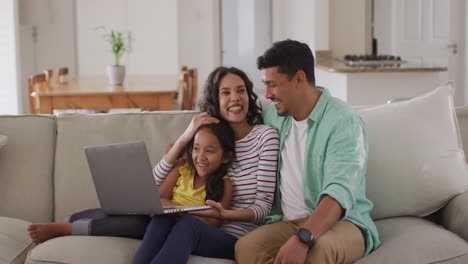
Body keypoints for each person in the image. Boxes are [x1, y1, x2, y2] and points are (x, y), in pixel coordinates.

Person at [234, 39, 381, 264]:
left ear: (299, 79)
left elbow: (338, 193)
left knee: (317, 251)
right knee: (246, 248)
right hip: (288, 221)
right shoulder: (274, 115)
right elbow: (233, 116)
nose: (267, 94)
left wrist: (302, 239)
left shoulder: (343, 122)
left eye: (272, 84)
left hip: (343, 222)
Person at [137, 66, 280, 263]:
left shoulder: (265, 137)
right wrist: (184, 138)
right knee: (163, 217)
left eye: (241, 90)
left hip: (239, 237)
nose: (235, 97)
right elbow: (150, 191)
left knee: (187, 225)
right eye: (226, 92)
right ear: (216, 100)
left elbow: (263, 207)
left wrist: (227, 214)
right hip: (201, 224)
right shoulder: (208, 142)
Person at [133, 121, 235, 263]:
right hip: (171, 221)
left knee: (186, 222)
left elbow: (214, 222)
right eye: (196, 148)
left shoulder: (225, 184)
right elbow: (157, 200)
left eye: (210, 151)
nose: (201, 157)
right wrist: (178, 210)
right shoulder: (183, 167)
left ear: (226, 157)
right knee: (162, 218)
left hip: (197, 231)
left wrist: (177, 211)